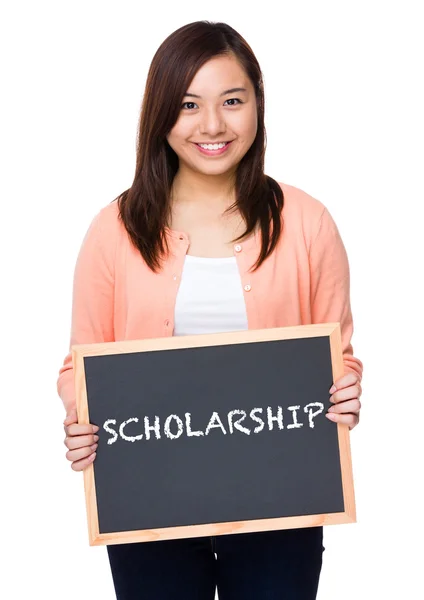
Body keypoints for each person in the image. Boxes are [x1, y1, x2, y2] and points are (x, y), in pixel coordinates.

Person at [57, 20, 363, 600]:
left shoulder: (306, 223)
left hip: (281, 505)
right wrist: (83, 420)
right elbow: (78, 367)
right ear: (161, 114)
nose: (213, 125)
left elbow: (338, 359)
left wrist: (345, 392)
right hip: (149, 503)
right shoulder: (114, 230)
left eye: (232, 100)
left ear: (257, 105)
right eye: (189, 105)